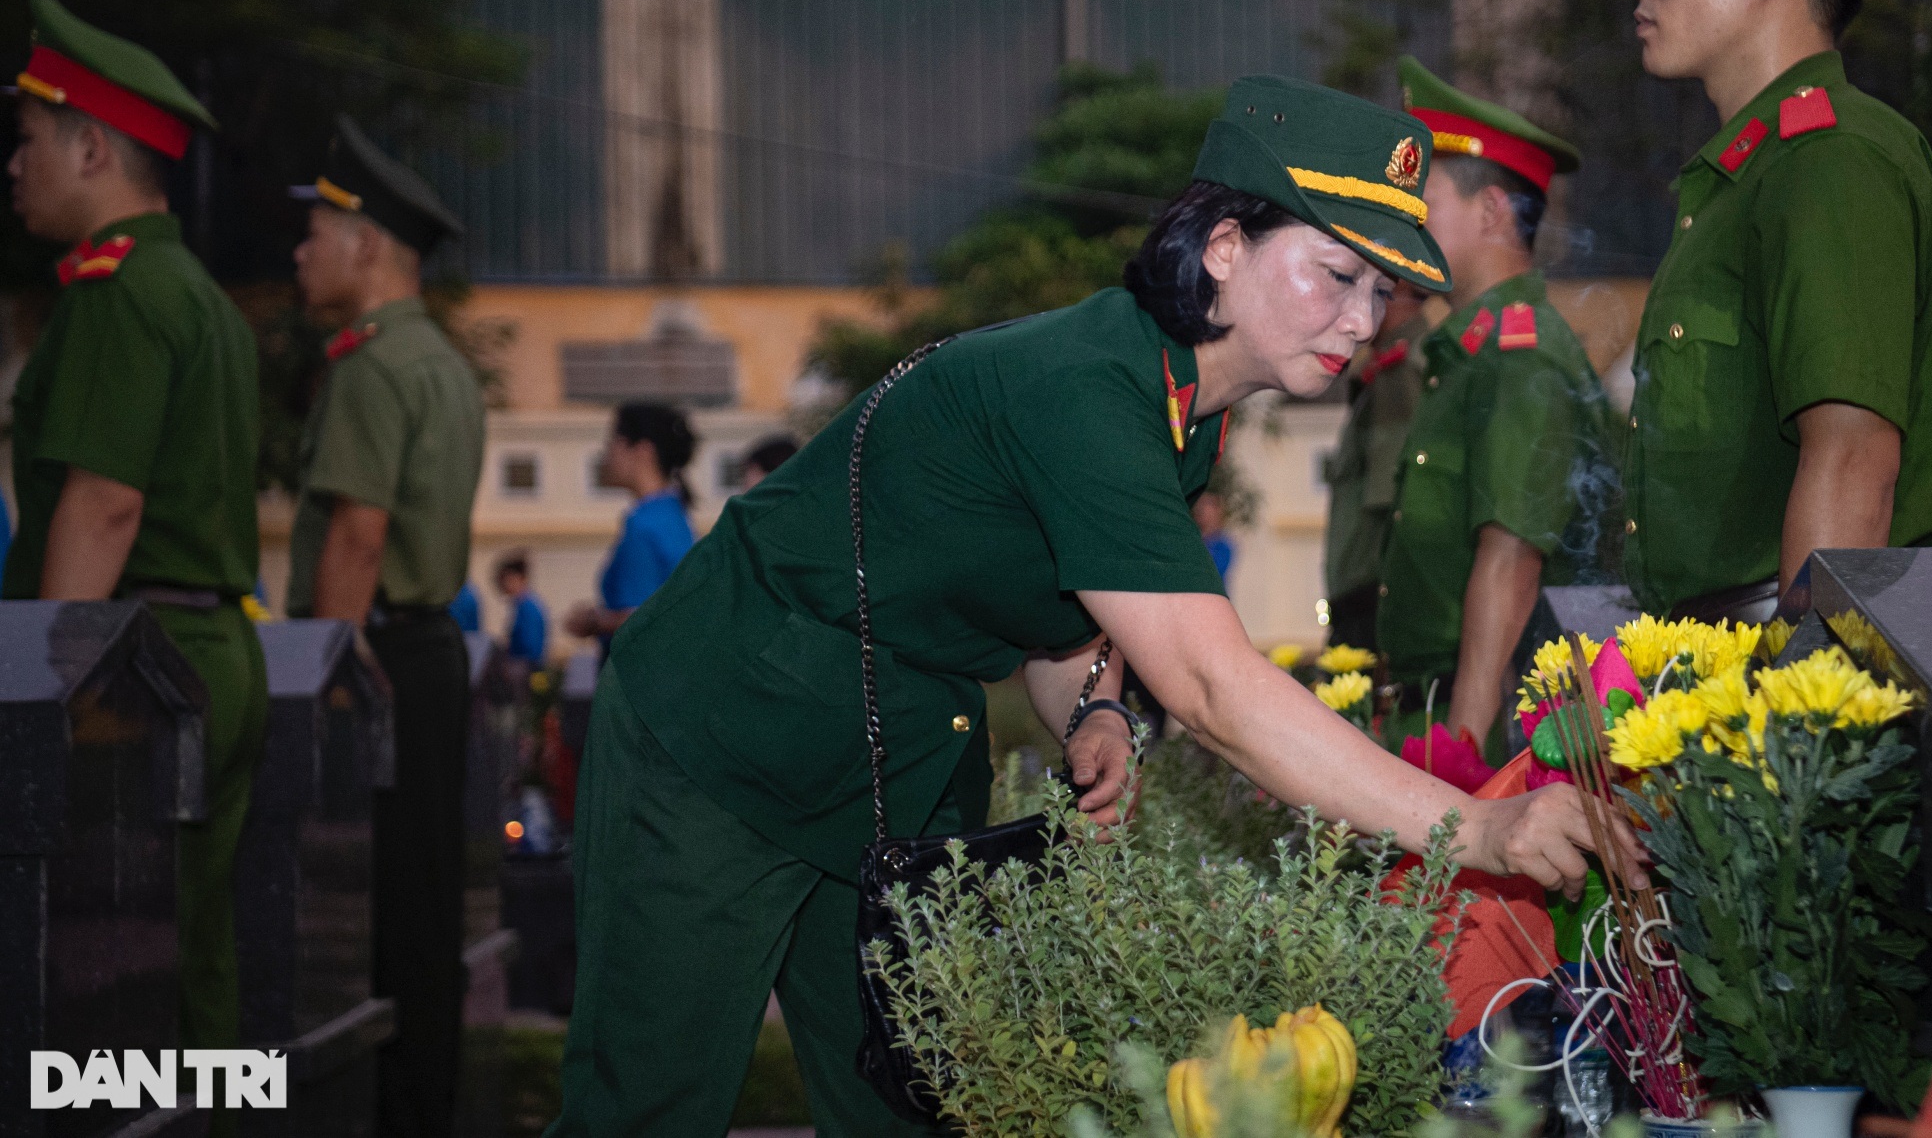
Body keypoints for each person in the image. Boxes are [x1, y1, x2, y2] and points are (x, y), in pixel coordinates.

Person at [546, 75, 1645, 1138]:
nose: (1362, 319)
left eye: (1381, 290)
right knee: (648, 1103)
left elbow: (1063, 617)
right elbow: (1213, 688)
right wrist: (1477, 826)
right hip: (726, 724)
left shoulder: (1182, 405)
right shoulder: (1087, 389)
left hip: (891, 750)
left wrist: (1094, 710)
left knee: (908, 1103)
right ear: (1223, 249)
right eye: (1332, 274)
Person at [1610, 0, 1932, 619]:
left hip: (1782, 678)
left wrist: (1798, 732)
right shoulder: (1745, 175)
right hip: (1708, 673)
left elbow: (1851, 466)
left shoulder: (1829, 160)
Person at [4, 0, 268, 1082]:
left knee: (102, 986)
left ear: (90, 146)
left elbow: (102, 505)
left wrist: (36, 702)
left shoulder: (118, 294)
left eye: (24, 141)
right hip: (203, 653)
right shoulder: (196, 293)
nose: (11, 165)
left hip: (130, 672)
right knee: (199, 965)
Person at [285, 115, 485, 1138]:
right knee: (423, 908)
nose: (299, 251)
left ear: (366, 245)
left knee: (364, 916)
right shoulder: (444, 365)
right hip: (430, 652)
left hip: (369, 658)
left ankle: (382, 1112)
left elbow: (356, 535)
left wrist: (326, 670)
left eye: (315, 231)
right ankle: (423, 1106)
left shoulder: (370, 365)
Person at [1375, 56, 1615, 761]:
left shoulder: (1521, 356)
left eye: (1426, 201)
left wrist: (1464, 760)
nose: (1406, 221)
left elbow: (1510, 564)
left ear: (1491, 210)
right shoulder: (1468, 355)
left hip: (1491, 722)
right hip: (1434, 707)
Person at [1322, 281, 1428, 653]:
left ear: (1399, 296)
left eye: (1375, 291)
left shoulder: (1403, 369)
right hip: (1366, 586)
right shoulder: (1386, 367)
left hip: (1371, 587)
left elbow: (1392, 497)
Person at [563, 403, 696, 648]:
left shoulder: (644, 526)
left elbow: (642, 618)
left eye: (614, 442)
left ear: (643, 451)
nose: (607, 454)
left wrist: (595, 621)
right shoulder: (673, 514)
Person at [495, 550, 549, 665]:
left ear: (519, 578)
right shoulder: (522, 605)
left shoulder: (528, 607)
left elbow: (530, 647)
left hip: (529, 671)